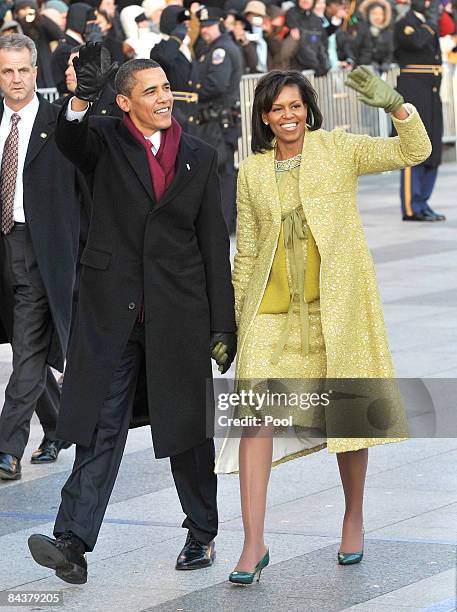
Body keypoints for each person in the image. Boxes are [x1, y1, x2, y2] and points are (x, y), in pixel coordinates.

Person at [27, 44, 236, 584]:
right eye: (151, 91)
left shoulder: (200, 154)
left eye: (166, 87)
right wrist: (78, 97)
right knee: (99, 427)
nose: (164, 97)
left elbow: (214, 245)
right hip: (112, 317)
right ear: (124, 102)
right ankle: (71, 541)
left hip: (178, 317)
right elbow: (69, 137)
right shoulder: (102, 139)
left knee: (187, 432)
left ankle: (201, 532)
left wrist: (222, 324)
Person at [214, 67, 431, 583]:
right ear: (263, 118)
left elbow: (413, 152)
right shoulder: (252, 172)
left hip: (337, 306)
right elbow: (245, 253)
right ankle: (253, 543)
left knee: (349, 414)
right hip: (271, 313)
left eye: (295, 106)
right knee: (255, 417)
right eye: (276, 109)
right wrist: (229, 322)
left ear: (308, 109)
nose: (287, 116)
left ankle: (353, 518)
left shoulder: (338, 148)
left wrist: (397, 107)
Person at [0, 34, 79, 479]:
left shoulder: (58, 124)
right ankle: (55, 423)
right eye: (7, 71)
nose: (15, 79)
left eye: (22, 69)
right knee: (25, 341)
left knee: (28, 343)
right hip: (3, 247)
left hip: (41, 249)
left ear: (35, 71)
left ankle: (7, 446)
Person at [189, 5, 242, 234]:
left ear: (219, 25)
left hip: (218, 120)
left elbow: (216, 84)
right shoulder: (215, 48)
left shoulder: (221, 50)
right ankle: (226, 221)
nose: (205, 31)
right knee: (223, 171)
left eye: (210, 26)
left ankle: (224, 221)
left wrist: (192, 93)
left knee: (222, 172)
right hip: (219, 120)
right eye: (203, 26)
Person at [394, 0, 446, 221]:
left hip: (432, 92)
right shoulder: (405, 23)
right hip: (414, 90)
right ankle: (411, 206)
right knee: (414, 146)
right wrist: (430, 24)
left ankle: (423, 202)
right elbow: (416, 42)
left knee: (433, 147)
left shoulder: (429, 22)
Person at [150, 5, 199, 130]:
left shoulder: (186, 48)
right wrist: (176, 38)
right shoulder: (159, 48)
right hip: (173, 111)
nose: (186, 27)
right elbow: (165, 59)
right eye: (182, 23)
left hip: (191, 112)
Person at [285, 0, 330, 75]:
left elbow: (323, 44)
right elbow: (300, 44)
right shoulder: (291, 14)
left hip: (316, 69)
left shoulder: (316, 19)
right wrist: (316, 65)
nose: (306, 1)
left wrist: (325, 65)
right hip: (297, 70)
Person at [359, 0, 394, 73]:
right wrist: (369, 62)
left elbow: (390, 51)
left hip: (384, 68)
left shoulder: (389, 32)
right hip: (366, 67)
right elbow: (359, 50)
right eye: (374, 13)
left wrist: (386, 62)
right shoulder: (363, 30)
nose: (377, 17)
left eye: (381, 14)